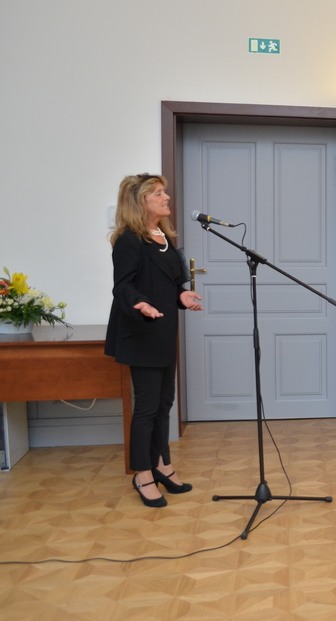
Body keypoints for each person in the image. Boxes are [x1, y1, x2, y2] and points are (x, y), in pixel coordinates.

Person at [105, 174, 204, 508]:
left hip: (163, 331)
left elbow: (169, 285)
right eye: (158, 193)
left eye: (165, 192)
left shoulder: (163, 237)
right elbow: (123, 286)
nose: (166, 197)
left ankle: (162, 464)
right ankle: (142, 473)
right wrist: (141, 304)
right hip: (141, 333)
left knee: (164, 404)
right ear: (140, 201)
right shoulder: (128, 240)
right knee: (147, 408)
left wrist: (182, 296)